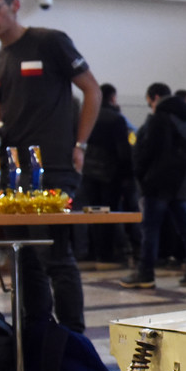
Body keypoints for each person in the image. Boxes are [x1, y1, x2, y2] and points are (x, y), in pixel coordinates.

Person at [0, 0, 101, 331]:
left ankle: (74, 338)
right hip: (13, 173)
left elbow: (92, 90)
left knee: (55, 256)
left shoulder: (49, 42)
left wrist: (80, 144)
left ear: (14, 5)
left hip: (54, 166)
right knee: (23, 258)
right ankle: (36, 333)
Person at [123, 82, 186, 289]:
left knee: (150, 229)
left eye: (149, 102)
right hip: (182, 183)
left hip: (158, 185)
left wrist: (142, 177)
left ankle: (145, 273)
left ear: (155, 98)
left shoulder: (160, 118)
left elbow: (148, 151)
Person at [76, 83, 137, 266]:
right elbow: (123, 150)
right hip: (111, 173)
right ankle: (108, 252)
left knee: (91, 212)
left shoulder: (85, 117)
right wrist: (128, 174)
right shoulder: (116, 118)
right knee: (110, 213)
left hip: (88, 171)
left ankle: (92, 250)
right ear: (112, 97)